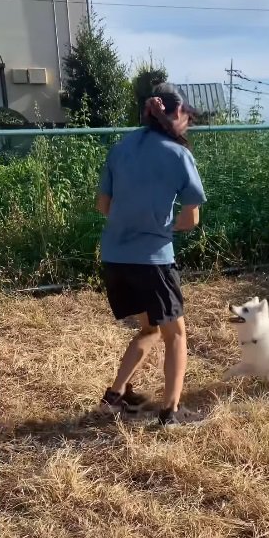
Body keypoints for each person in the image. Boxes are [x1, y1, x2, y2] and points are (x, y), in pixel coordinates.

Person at [96, 83, 206, 426]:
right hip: (153, 261)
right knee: (176, 334)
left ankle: (115, 397)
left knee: (150, 330)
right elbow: (190, 219)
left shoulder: (121, 148)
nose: (187, 122)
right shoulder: (178, 154)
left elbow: (104, 206)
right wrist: (162, 226)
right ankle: (171, 413)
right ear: (175, 115)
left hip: (115, 257)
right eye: (186, 116)